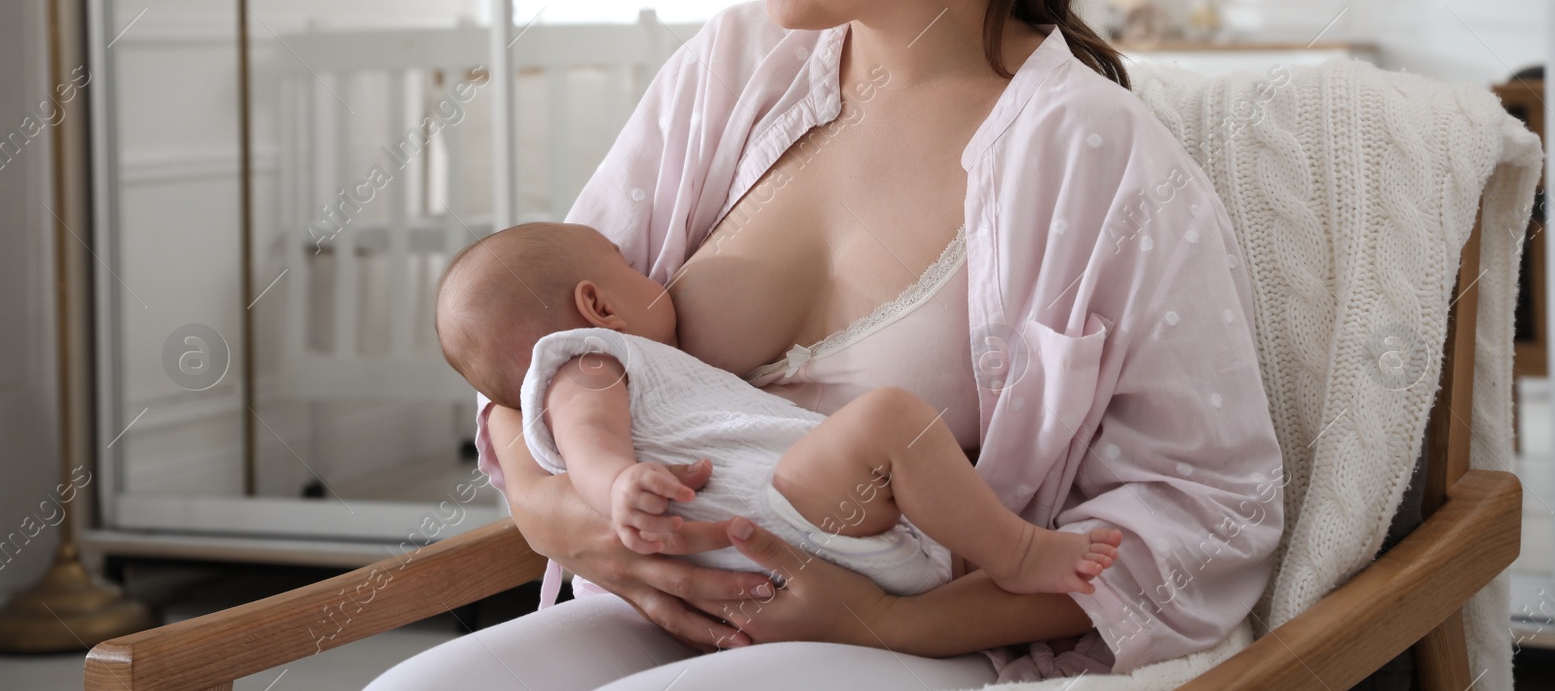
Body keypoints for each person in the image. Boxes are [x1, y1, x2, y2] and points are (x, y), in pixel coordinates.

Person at [367, 0, 1284, 691]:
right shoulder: (729, 69)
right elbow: (532, 335)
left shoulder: (1094, 159)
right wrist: (557, 509)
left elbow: (1208, 517)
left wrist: (888, 626)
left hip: (919, 633)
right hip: (672, 596)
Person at [432, 221, 1125, 601]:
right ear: (598, 305)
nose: (653, 271)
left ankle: (978, 567)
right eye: (628, 265)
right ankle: (1020, 550)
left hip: (798, 547)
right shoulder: (585, 358)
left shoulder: (611, 363)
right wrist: (616, 482)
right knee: (887, 419)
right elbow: (587, 436)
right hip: (781, 512)